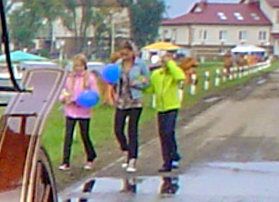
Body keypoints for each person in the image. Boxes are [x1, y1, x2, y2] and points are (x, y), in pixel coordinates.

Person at [105, 38, 149, 172]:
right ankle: (126, 150)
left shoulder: (140, 64)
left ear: (132, 52)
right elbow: (112, 80)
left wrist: (138, 83)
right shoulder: (118, 65)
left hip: (135, 100)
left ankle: (132, 159)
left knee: (132, 130)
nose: (124, 57)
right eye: (122, 54)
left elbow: (147, 82)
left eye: (126, 54)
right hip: (121, 100)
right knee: (118, 129)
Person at [148, 48, 194, 172]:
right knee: (163, 135)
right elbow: (150, 89)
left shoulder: (173, 73)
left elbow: (180, 77)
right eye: (163, 61)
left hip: (172, 106)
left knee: (169, 131)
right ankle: (167, 161)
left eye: (167, 60)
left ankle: (173, 154)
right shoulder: (156, 74)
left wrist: (171, 64)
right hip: (161, 107)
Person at [57, 53, 101, 170]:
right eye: (76, 66)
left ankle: (90, 157)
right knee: (68, 135)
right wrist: (64, 99)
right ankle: (65, 161)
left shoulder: (89, 78)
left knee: (84, 135)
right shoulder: (69, 78)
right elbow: (63, 91)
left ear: (84, 66)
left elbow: (95, 94)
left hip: (84, 112)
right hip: (70, 110)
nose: (78, 69)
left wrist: (81, 101)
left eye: (80, 66)